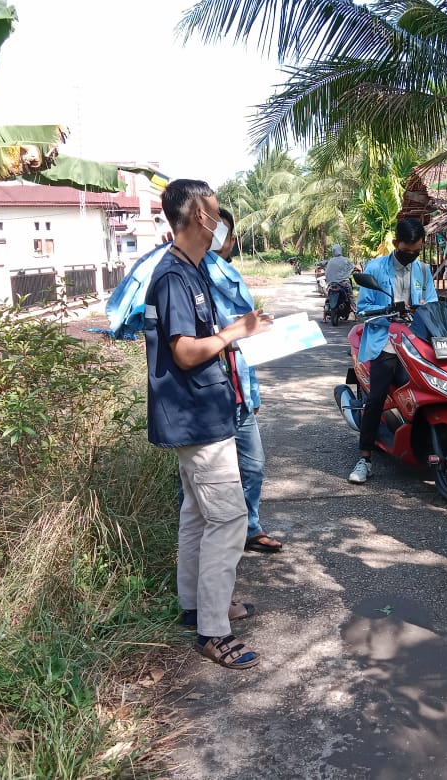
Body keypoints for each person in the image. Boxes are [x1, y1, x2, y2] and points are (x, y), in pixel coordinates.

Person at [144, 179, 273, 670]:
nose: (220, 216)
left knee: (197, 515)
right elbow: (185, 350)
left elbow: (205, 341)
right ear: (199, 214)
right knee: (229, 518)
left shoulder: (192, 270)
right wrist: (235, 332)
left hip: (202, 412)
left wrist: (243, 334)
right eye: (215, 208)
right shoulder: (175, 275)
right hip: (197, 418)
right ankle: (213, 633)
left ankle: (195, 606)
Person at [203, 208, 283, 554]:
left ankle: (250, 527)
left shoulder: (230, 275)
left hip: (239, 388)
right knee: (206, 480)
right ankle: (210, 542)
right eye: (211, 229)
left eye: (222, 232)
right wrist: (234, 331)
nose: (216, 237)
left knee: (253, 466)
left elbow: (244, 334)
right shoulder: (189, 274)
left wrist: (253, 389)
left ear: (231, 239)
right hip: (209, 395)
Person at [348, 218, 438, 483]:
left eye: (416, 251)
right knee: (376, 397)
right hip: (384, 339)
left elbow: (431, 303)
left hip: (415, 339)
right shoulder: (375, 268)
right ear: (396, 243)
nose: (411, 256)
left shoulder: (423, 270)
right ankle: (364, 458)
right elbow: (363, 308)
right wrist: (389, 311)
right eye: (406, 251)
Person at [324, 243, 357, 314]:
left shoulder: (330, 261)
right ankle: (355, 313)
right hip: (343, 283)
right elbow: (352, 266)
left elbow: (327, 272)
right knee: (350, 296)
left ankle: (324, 315)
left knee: (328, 297)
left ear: (333, 251)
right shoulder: (345, 260)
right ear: (340, 250)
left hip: (331, 283)